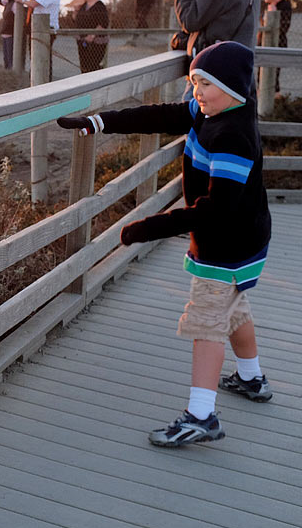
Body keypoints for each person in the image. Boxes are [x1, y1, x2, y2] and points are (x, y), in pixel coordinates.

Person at [57, 41, 272, 447]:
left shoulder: (233, 137)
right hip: (242, 238)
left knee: (208, 319)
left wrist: (147, 227)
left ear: (234, 88)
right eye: (194, 83)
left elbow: (215, 210)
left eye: (206, 84)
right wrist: (99, 122)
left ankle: (201, 417)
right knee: (232, 304)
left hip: (227, 241)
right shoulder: (210, 111)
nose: (197, 93)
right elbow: (161, 114)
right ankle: (251, 378)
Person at [16, 0, 61, 81]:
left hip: (46, 27)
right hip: (42, 27)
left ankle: (44, 79)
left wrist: (22, 0)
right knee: (39, 55)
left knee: (43, 56)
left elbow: (35, 4)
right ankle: (41, 79)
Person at [261, 0, 292, 93]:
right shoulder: (268, 6)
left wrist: (272, 16)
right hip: (264, 44)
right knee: (262, 73)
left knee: (273, 74)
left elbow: (283, 28)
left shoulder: (284, 6)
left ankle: (274, 100)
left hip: (277, 44)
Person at [72, 0, 109, 72]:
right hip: (82, 40)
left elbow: (103, 23)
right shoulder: (84, 5)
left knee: (92, 66)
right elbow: (76, 20)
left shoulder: (100, 7)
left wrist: (92, 35)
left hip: (95, 42)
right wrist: (76, 11)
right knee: (84, 66)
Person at [0, 0, 16, 69]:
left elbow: (19, 19)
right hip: (5, 33)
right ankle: (7, 74)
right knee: (6, 57)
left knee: (10, 57)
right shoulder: (7, 3)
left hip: (11, 34)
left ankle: (12, 75)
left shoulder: (14, 4)